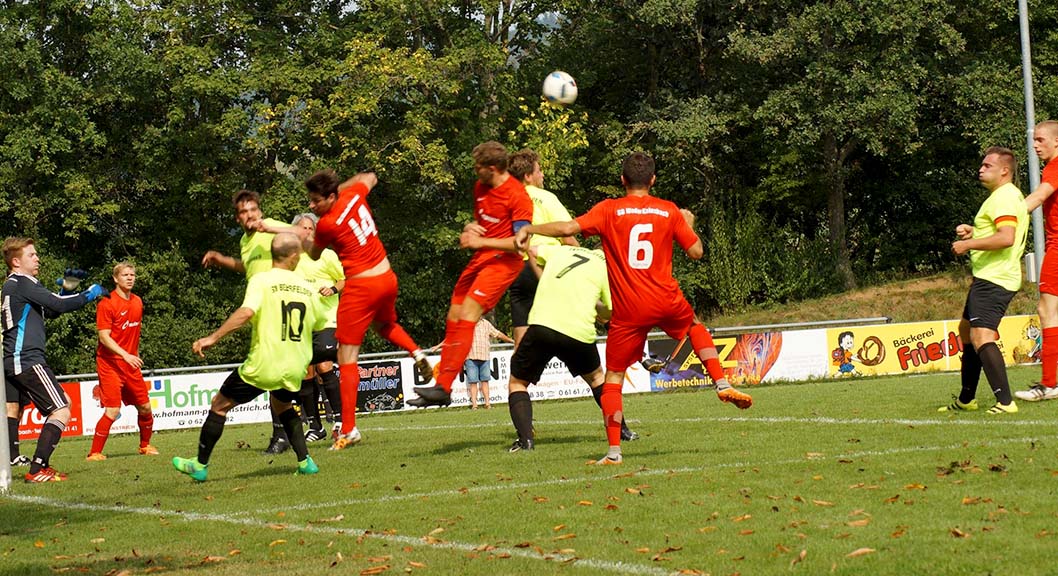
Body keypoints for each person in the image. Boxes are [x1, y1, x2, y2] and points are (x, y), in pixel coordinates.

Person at [515, 152, 753, 465]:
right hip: (664, 298)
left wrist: (531, 230)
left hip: (627, 307)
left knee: (612, 378)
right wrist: (688, 221)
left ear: (623, 180)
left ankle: (614, 452)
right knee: (695, 327)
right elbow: (696, 251)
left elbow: (567, 228)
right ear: (653, 180)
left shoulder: (608, 209)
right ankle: (721, 382)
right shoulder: (668, 210)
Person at [173, 233, 326, 482]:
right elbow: (318, 323)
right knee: (283, 405)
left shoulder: (261, 280)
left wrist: (212, 337)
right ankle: (305, 462)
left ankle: (200, 465)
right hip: (295, 365)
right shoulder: (308, 288)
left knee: (219, 405)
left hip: (265, 363)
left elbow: (246, 312)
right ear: (294, 256)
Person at [305, 169, 433, 450]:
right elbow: (371, 176)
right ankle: (416, 351)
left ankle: (349, 429)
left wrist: (299, 236)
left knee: (346, 355)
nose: (312, 207)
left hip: (361, 285)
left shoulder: (326, 224)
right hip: (387, 278)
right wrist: (345, 189)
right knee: (384, 325)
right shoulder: (352, 194)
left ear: (330, 196)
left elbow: (314, 254)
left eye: (316, 201)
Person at [408, 141, 534, 407]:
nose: (475, 170)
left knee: (468, 315)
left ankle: (443, 386)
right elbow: (484, 224)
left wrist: (480, 243)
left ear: (492, 168)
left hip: (503, 264)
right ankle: (442, 387)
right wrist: (470, 228)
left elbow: (521, 243)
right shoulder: (480, 187)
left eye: (479, 167)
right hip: (481, 258)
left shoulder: (518, 196)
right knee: (454, 316)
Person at [507, 244, 638, 456]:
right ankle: (624, 431)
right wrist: (597, 308)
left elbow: (531, 250)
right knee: (597, 379)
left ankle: (526, 441)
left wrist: (543, 282)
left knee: (517, 382)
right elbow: (609, 312)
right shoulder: (606, 267)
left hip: (543, 324)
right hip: (578, 330)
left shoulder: (561, 250)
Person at [2, 237, 108, 482]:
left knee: (63, 403)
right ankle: (38, 469)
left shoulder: (16, 285)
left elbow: (50, 309)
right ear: (16, 262)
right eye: (32, 255)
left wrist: (66, 289)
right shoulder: (22, 283)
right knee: (60, 409)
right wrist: (89, 294)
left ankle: (37, 466)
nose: (37, 258)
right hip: (26, 358)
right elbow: (59, 306)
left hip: (18, 359)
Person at [201, 189, 296, 455]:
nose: (250, 215)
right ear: (237, 219)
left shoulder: (272, 229)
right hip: (265, 316)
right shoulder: (246, 241)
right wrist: (223, 260)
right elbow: (249, 266)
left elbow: (301, 235)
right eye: (244, 212)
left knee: (273, 374)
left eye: (253, 209)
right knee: (278, 383)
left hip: (283, 311)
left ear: (261, 212)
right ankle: (300, 452)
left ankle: (306, 433)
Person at [940, 147, 1029, 414]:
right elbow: (999, 230)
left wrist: (969, 245)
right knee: (967, 331)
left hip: (996, 278)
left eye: (987, 165)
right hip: (989, 276)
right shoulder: (1001, 197)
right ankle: (967, 400)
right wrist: (974, 230)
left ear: (1004, 171)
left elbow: (1006, 238)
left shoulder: (1003, 197)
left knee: (981, 336)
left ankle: (1005, 402)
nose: (981, 169)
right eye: (981, 165)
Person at [505, 149, 578, 349]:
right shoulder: (546, 198)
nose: (542, 175)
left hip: (517, 270)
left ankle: (516, 380)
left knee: (521, 335)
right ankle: (595, 374)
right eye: (539, 170)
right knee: (570, 327)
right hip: (547, 265)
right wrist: (584, 259)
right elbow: (567, 234)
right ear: (528, 176)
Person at [86, 262, 158, 460]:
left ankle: (145, 446)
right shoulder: (107, 303)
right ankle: (94, 453)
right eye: (125, 275)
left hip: (130, 365)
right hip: (110, 364)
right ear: (116, 279)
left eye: (132, 274)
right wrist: (125, 354)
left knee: (145, 407)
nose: (130, 278)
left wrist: (130, 355)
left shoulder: (137, 302)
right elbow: (104, 337)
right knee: (112, 409)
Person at [289, 213, 346, 442]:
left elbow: (345, 279)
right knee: (305, 372)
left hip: (327, 320)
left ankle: (341, 420)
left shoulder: (327, 255)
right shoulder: (292, 258)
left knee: (324, 365)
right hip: (302, 323)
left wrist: (332, 289)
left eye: (311, 228)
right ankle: (315, 426)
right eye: (303, 228)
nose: (308, 232)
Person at [1020, 121, 1058, 401]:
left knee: (1048, 312)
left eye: (1041, 140)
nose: (1035, 145)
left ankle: (1049, 384)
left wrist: (1002, 215)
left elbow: (1038, 197)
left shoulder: (1055, 167)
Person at [461, 316, 513, 409]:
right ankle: (474, 405)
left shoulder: (486, 323)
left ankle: (488, 404)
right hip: (470, 357)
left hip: (484, 357)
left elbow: (498, 334)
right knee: (473, 382)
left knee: (485, 381)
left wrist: (511, 341)